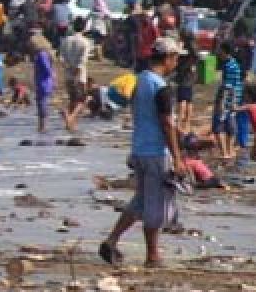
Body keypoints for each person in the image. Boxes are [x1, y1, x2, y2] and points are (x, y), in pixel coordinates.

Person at [100, 36, 186, 268]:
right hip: (156, 152)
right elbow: (166, 123)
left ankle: (111, 240)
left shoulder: (139, 81)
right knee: (157, 206)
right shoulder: (161, 88)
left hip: (138, 149)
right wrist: (178, 158)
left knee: (141, 201)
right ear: (168, 58)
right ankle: (153, 255)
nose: (176, 63)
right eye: (176, 58)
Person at [59, 18, 91, 132]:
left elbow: (61, 59)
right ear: (84, 27)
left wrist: (69, 68)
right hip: (79, 76)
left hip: (67, 74)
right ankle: (70, 117)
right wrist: (76, 75)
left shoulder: (65, 40)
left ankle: (71, 125)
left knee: (73, 100)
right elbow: (82, 62)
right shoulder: (85, 42)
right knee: (82, 100)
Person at [212, 42, 242, 161]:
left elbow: (227, 87)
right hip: (234, 99)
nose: (218, 52)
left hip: (227, 100)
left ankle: (224, 152)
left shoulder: (228, 66)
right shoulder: (235, 64)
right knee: (230, 125)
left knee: (218, 126)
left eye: (220, 50)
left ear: (224, 51)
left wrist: (221, 103)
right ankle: (230, 151)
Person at [30, 33, 56, 133]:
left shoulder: (41, 54)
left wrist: (53, 78)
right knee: (42, 103)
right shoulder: (43, 54)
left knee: (42, 104)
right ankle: (41, 126)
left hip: (43, 82)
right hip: (43, 81)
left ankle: (42, 127)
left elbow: (47, 69)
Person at [175, 31, 199, 131]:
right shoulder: (194, 47)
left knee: (182, 99)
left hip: (184, 75)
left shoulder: (185, 48)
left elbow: (177, 55)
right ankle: (187, 122)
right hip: (190, 76)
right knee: (189, 99)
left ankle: (180, 122)